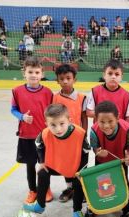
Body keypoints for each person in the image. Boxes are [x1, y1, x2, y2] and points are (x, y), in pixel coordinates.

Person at [23, 104, 89, 217]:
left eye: (62, 124)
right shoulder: (45, 133)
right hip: (55, 164)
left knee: (78, 181)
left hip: (73, 167)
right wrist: (42, 162)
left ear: (69, 121)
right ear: (46, 124)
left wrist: (81, 171)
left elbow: (85, 152)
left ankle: (77, 210)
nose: (58, 129)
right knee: (42, 172)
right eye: (53, 125)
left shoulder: (80, 133)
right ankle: (40, 205)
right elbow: (38, 145)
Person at [11, 56, 53, 204]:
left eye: (37, 72)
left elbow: (52, 112)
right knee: (30, 165)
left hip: (44, 137)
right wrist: (22, 117)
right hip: (26, 136)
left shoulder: (48, 92)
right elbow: (13, 110)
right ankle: (32, 190)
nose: (34, 75)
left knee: (45, 165)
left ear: (42, 74)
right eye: (30, 72)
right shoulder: (17, 91)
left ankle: (46, 188)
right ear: (25, 73)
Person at [89, 101, 129, 217]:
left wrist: (128, 157)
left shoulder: (127, 128)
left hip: (119, 162)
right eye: (102, 122)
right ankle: (97, 206)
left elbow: (128, 147)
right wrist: (98, 152)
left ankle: (126, 208)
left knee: (123, 184)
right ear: (96, 119)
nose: (106, 126)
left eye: (110, 121)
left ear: (118, 118)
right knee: (100, 185)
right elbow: (95, 148)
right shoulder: (93, 130)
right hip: (102, 162)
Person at [52, 64, 88, 203]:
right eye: (62, 79)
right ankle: (70, 188)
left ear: (75, 79)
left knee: (79, 165)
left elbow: (84, 117)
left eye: (68, 78)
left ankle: (82, 189)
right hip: (62, 138)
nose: (65, 81)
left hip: (77, 138)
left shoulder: (82, 97)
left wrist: (83, 135)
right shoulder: (54, 98)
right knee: (66, 165)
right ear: (57, 81)